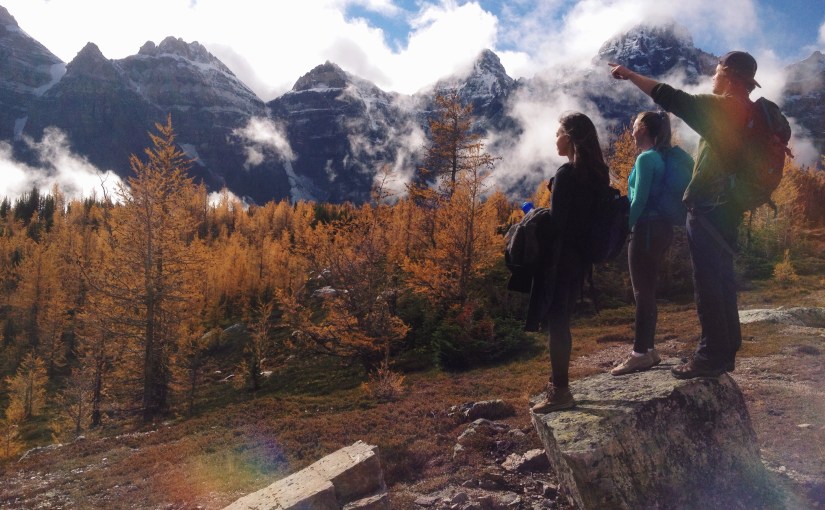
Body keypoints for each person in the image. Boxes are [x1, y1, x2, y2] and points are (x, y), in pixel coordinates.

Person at [608, 51, 760, 378]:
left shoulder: (722, 107)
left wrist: (632, 75)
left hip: (709, 207)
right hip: (730, 206)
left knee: (707, 280)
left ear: (730, 78)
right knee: (722, 276)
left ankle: (709, 356)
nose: (713, 78)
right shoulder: (750, 111)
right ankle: (726, 348)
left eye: (717, 73)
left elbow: (670, 97)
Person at [530, 112, 610, 413]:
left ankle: (560, 391)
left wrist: (533, 221)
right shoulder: (598, 173)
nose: (555, 139)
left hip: (561, 259)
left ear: (571, 137)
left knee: (557, 323)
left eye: (558, 133)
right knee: (562, 320)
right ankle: (558, 387)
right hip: (581, 259)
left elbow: (558, 226)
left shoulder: (566, 174)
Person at [610, 111, 674, 375]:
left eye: (635, 126)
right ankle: (648, 350)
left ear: (644, 129)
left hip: (646, 229)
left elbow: (639, 201)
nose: (631, 130)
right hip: (660, 229)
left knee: (641, 292)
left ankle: (639, 353)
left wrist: (624, 229)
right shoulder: (658, 157)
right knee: (647, 289)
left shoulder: (646, 158)